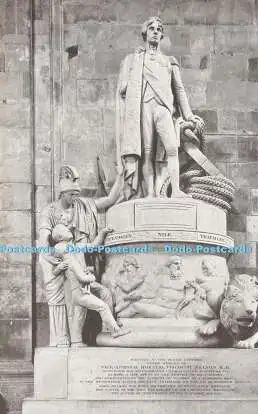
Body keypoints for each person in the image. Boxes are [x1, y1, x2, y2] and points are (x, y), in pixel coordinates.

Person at [117, 16, 203, 199]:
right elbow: (123, 89)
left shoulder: (169, 61)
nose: (156, 31)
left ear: (162, 35)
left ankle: (176, 191)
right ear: (145, 33)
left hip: (163, 109)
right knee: (147, 153)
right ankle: (149, 193)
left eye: (159, 29)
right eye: (152, 29)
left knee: (172, 148)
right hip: (144, 108)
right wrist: (133, 76)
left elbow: (179, 90)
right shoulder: (136, 60)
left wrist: (188, 115)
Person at [38, 162, 124, 346]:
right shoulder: (49, 212)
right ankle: (77, 341)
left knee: (97, 298)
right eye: (71, 194)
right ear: (62, 193)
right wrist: (57, 262)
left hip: (82, 263)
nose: (75, 198)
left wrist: (121, 175)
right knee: (76, 307)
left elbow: (110, 199)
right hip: (65, 267)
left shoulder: (83, 205)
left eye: (76, 194)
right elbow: (44, 241)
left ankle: (107, 332)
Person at [50, 223, 130, 344]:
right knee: (79, 314)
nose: (69, 230)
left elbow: (94, 245)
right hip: (78, 286)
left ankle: (108, 327)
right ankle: (79, 341)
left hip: (84, 286)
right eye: (65, 231)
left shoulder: (78, 247)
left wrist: (103, 232)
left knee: (104, 294)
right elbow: (56, 269)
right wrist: (62, 268)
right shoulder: (67, 255)